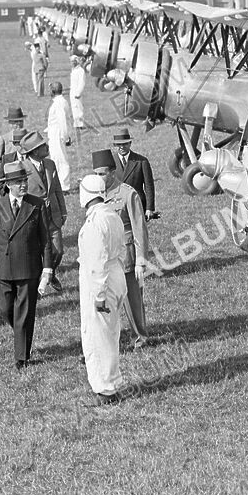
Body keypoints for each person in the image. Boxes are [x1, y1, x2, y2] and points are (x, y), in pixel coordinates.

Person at [0, 160, 55, 369]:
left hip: (28, 267)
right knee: (5, 308)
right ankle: (21, 335)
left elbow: (46, 240)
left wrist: (47, 269)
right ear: (8, 185)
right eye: (18, 181)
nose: (23, 184)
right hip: (4, 267)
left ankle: (21, 357)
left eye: (24, 180)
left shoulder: (36, 204)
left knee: (24, 312)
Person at [77, 174, 128, 404]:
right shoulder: (112, 216)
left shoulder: (95, 224)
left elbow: (97, 264)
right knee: (111, 333)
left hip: (103, 283)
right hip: (116, 276)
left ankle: (105, 389)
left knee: (98, 337)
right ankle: (112, 382)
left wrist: (98, 296)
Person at [93, 149, 150, 348]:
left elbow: (139, 227)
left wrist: (141, 260)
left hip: (127, 258)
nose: (99, 178)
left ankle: (139, 336)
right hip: (104, 258)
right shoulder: (95, 195)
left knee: (132, 300)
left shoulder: (127, 193)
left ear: (112, 172)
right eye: (96, 174)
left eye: (102, 174)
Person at [12, 131, 67, 294]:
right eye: (43, 145)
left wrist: (63, 211)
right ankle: (41, 281)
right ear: (35, 151)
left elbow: (57, 189)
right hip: (34, 217)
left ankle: (49, 272)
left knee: (58, 251)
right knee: (36, 252)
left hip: (53, 215)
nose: (47, 147)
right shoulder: (23, 168)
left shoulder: (50, 164)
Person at [112, 129, 156, 220]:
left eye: (124, 144)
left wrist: (149, 208)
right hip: (116, 206)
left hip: (137, 204)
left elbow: (149, 186)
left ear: (130, 143)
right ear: (115, 145)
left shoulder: (141, 161)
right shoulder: (110, 162)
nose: (122, 147)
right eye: (119, 144)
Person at [46, 82, 73, 189]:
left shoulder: (59, 103)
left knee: (60, 159)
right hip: (54, 133)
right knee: (55, 158)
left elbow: (63, 122)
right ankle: (59, 183)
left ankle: (64, 185)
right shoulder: (59, 102)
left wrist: (65, 137)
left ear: (53, 91)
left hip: (58, 135)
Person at [0, 106, 25, 186]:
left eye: (20, 121)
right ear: (10, 123)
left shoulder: (29, 136)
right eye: (15, 122)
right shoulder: (4, 139)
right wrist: (5, 171)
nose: (18, 124)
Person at [69, 55, 86, 133]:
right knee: (74, 108)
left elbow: (82, 83)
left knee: (79, 108)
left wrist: (78, 92)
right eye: (71, 61)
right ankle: (76, 124)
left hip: (77, 92)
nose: (72, 63)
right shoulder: (73, 70)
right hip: (72, 91)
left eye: (73, 61)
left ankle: (80, 124)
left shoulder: (81, 70)